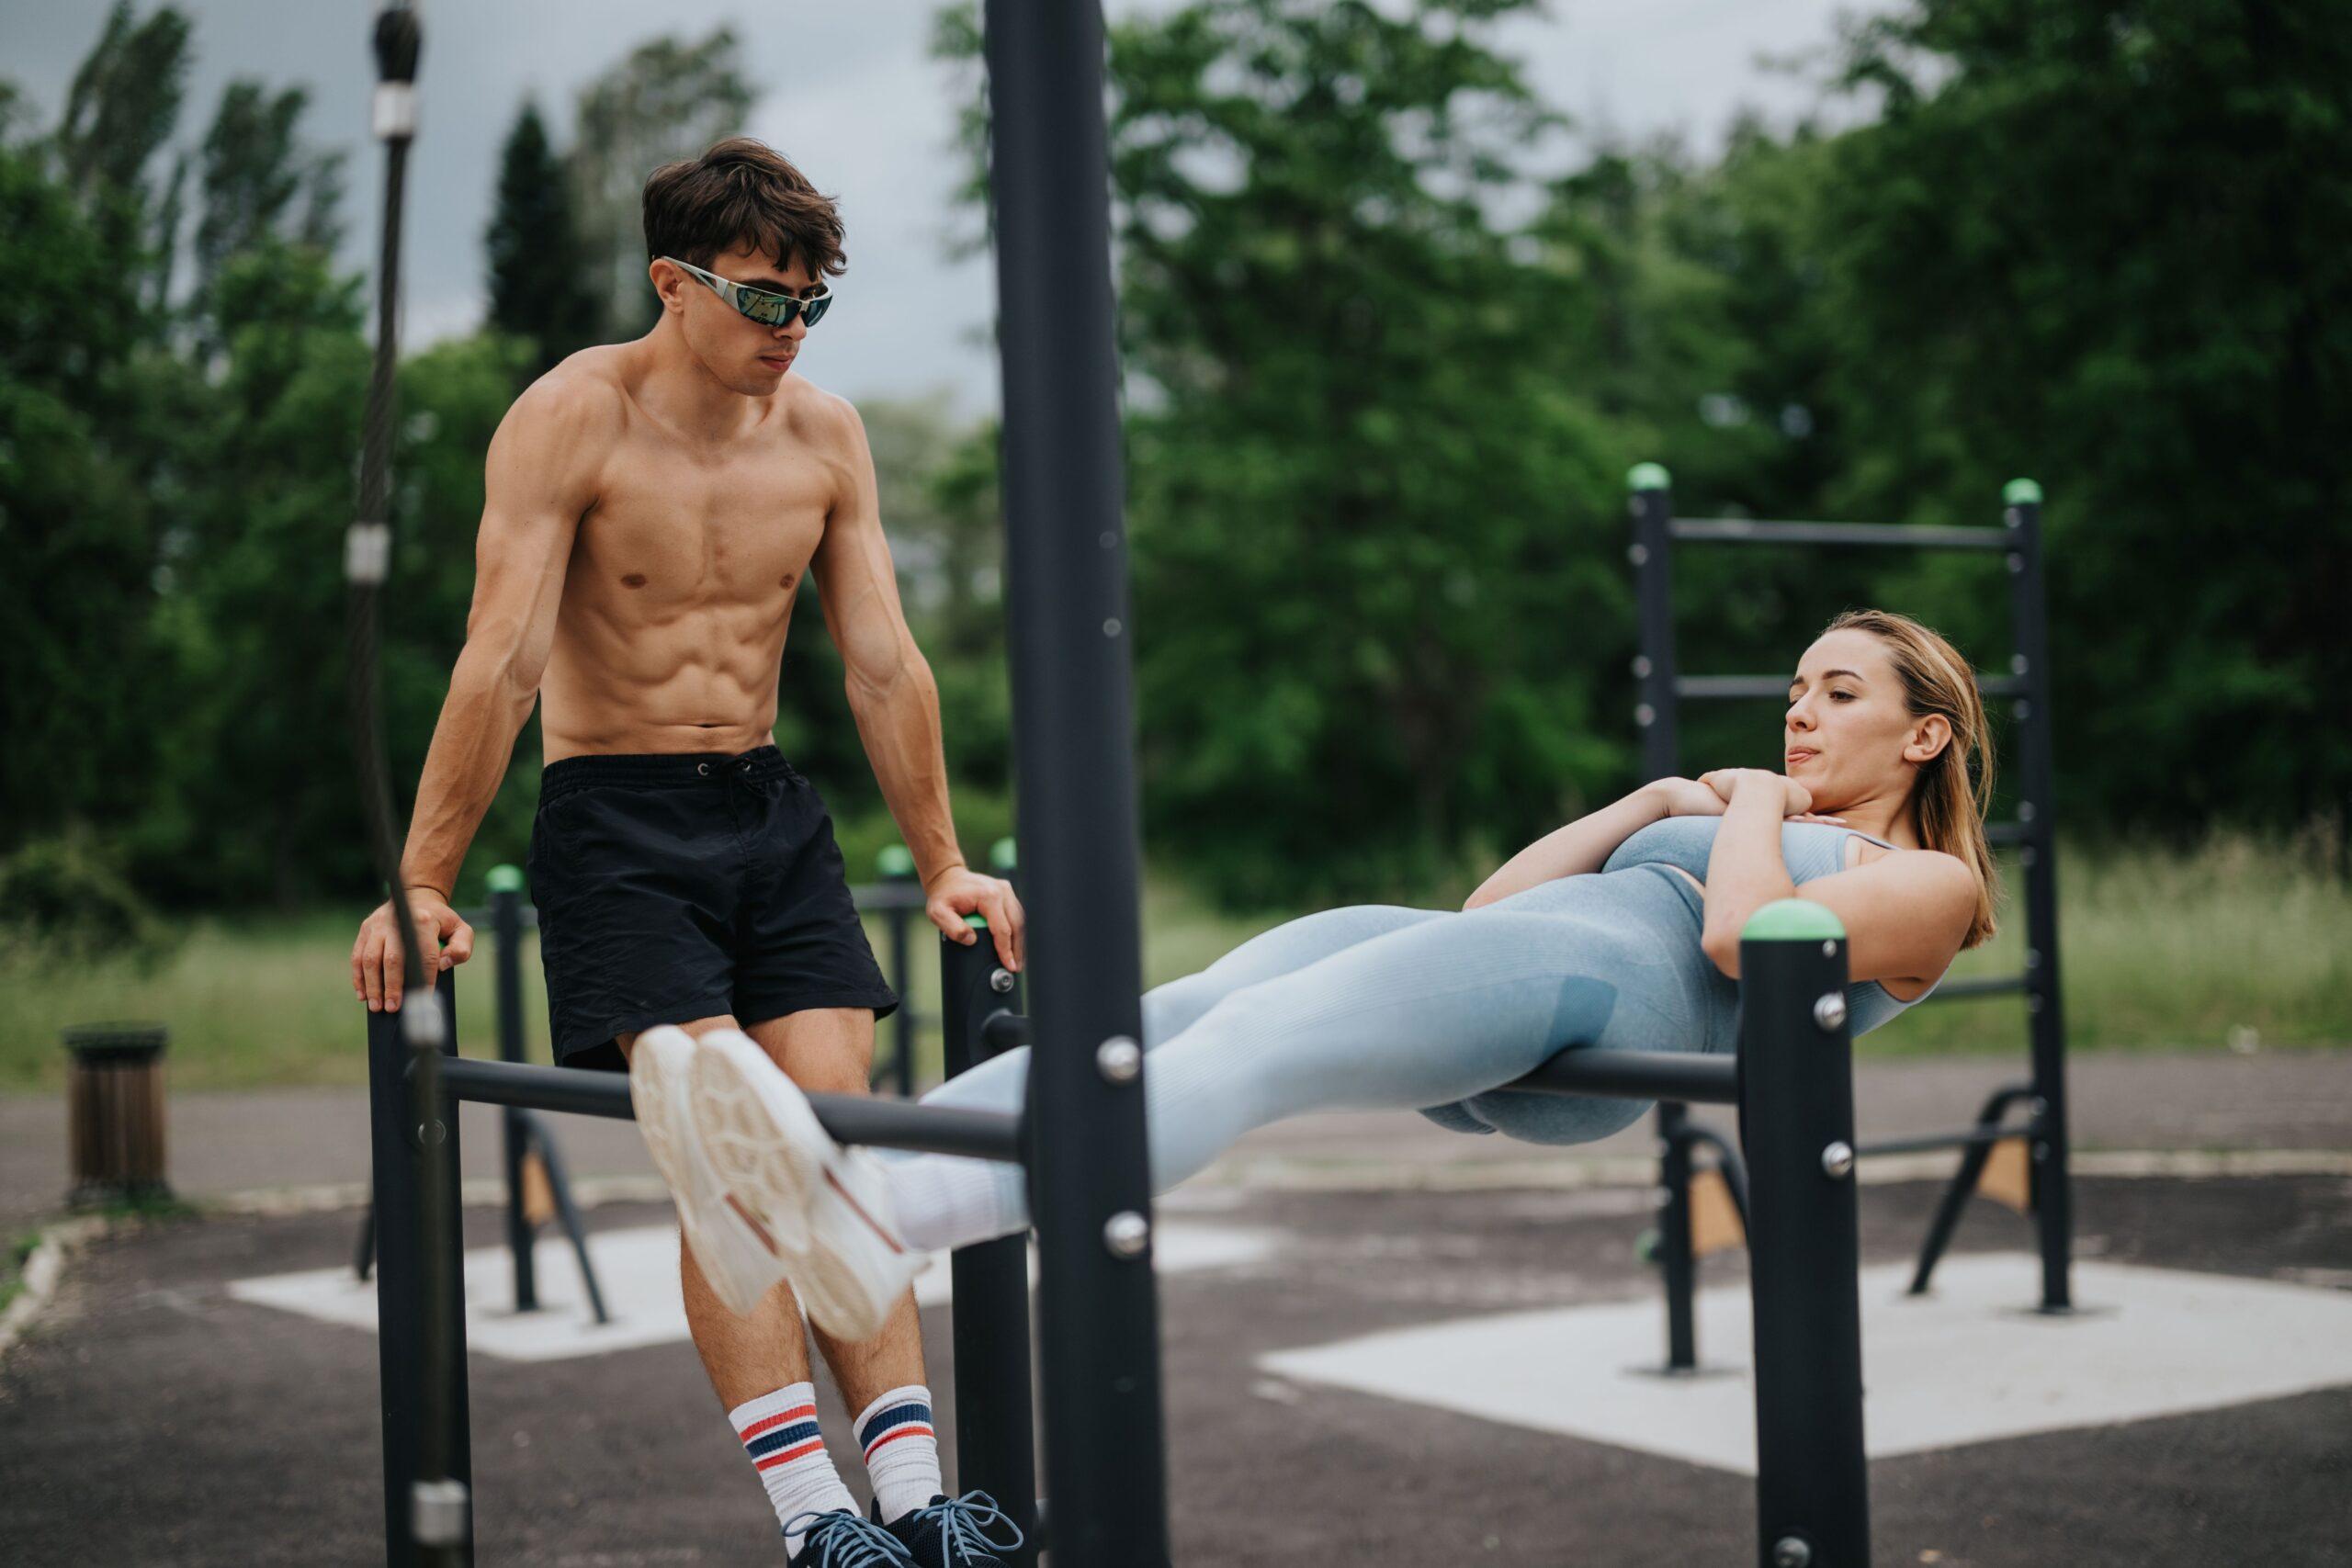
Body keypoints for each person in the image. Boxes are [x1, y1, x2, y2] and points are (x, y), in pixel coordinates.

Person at [345, 139, 1024, 1568]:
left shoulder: (827, 436)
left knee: (836, 1148)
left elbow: (885, 662)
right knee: (733, 1159)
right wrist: (422, 880)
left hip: (770, 813)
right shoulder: (569, 418)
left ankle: (916, 1501)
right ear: (674, 281)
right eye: (766, 301)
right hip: (618, 823)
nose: (791, 334)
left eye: (812, 305)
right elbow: (501, 662)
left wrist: (946, 857)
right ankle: (816, 1518)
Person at [668, 608, 1999, 1315]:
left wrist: (1754, 802)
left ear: (1926, 738)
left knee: (1254, 1056)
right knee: (1168, 1015)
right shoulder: (1725, 823)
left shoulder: (1929, 889)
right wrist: (1656, 804)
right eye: (1796, 691)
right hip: (1518, 954)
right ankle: (807, 1192)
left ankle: (894, 1222)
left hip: (1600, 1001)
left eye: (1839, 692)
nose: (1801, 711)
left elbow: (1737, 940)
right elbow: (1491, 903)